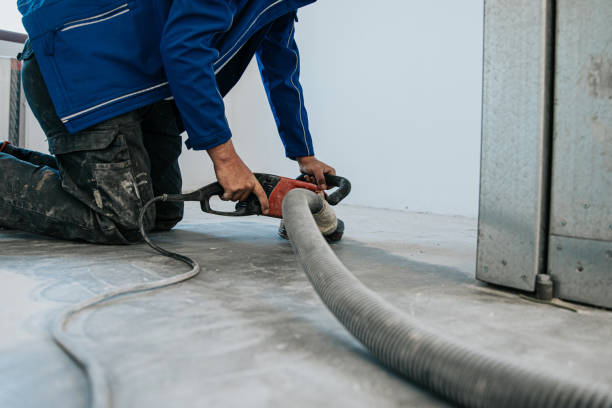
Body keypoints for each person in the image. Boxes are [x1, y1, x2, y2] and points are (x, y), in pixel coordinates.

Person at [0, 0, 335, 244]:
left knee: (161, 211)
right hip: (85, 67)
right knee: (122, 218)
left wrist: (304, 154)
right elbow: (184, 49)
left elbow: (282, 70)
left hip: (141, 83)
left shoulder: (281, 4)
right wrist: (226, 159)